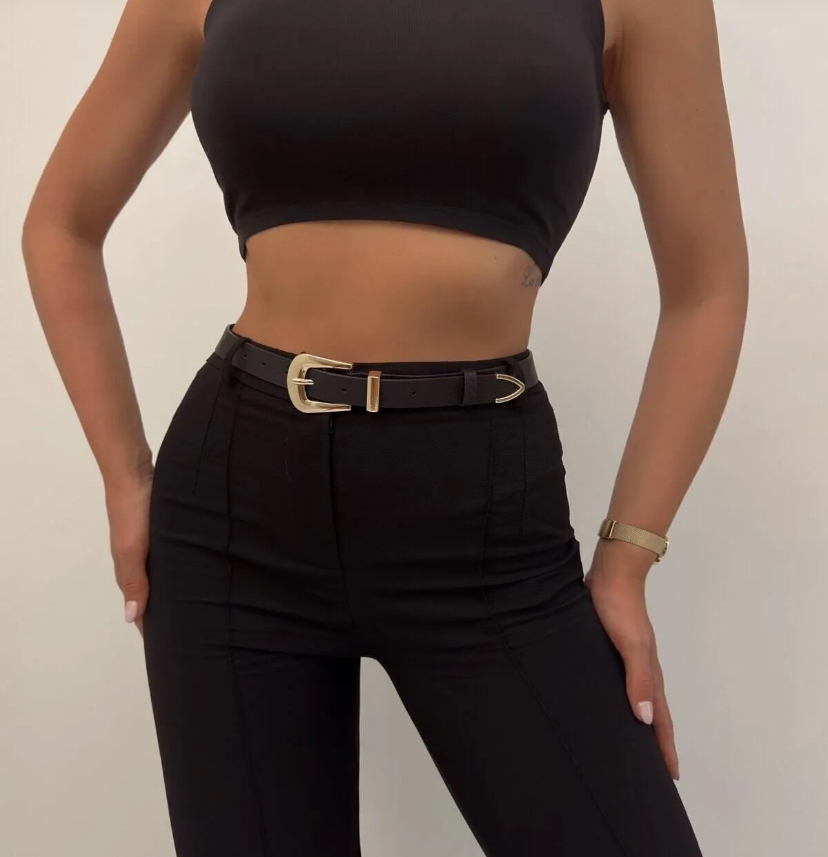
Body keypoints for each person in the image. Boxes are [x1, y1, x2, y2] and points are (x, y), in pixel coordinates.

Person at [21, 0, 748, 852]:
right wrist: (125, 476)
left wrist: (627, 560)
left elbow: (707, 289)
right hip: (235, 503)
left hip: (482, 510)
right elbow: (61, 224)